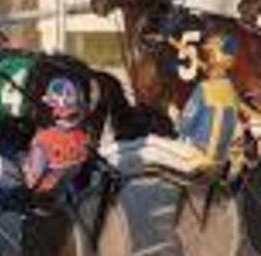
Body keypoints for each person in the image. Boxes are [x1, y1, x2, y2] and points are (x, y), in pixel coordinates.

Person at [102, 33, 241, 178]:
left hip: (195, 158)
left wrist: (170, 108)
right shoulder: (232, 93)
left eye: (208, 56)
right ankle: (106, 155)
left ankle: (105, 158)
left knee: (151, 143)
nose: (207, 59)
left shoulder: (204, 89)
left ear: (213, 60)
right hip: (217, 162)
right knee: (152, 142)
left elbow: (182, 127)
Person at [0, 76, 89, 196]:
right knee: (7, 145)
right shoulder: (81, 135)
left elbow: (31, 180)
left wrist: (23, 161)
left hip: (29, 183)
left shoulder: (45, 137)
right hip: (59, 183)